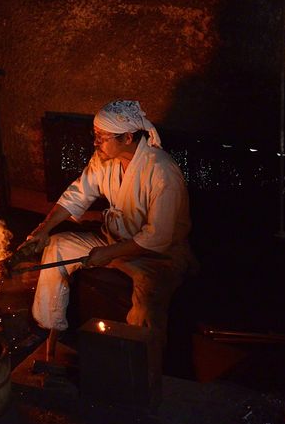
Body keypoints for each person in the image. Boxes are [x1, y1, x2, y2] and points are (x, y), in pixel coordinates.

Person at [24, 99, 195, 368]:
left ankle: (146, 367)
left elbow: (157, 237)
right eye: (95, 136)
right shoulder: (105, 160)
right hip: (111, 241)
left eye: (102, 138)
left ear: (127, 137)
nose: (96, 143)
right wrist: (43, 229)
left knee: (148, 298)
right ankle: (50, 330)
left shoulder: (162, 172)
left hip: (155, 256)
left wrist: (109, 253)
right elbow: (76, 195)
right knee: (57, 246)